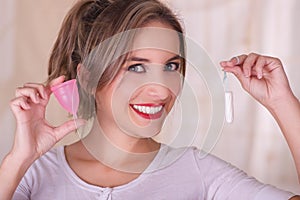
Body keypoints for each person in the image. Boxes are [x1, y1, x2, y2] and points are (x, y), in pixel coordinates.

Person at [0, 0, 299, 199]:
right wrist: (18, 161)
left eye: (171, 66)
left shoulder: (199, 172)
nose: (161, 90)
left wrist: (282, 102)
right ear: (87, 76)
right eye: (136, 67)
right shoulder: (30, 173)